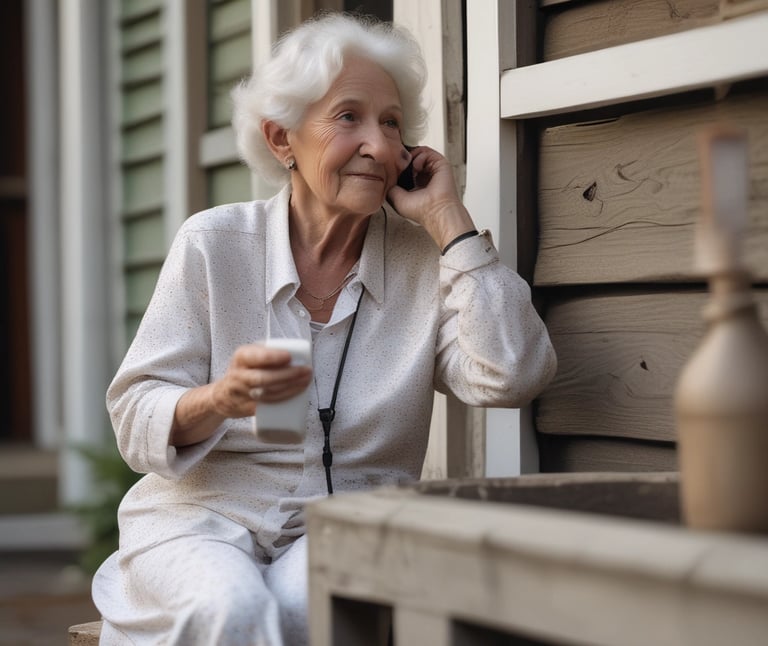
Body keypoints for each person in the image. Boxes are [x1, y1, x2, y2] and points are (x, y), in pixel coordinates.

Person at [91, 12, 557, 646]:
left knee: (311, 611)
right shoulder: (214, 244)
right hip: (201, 522)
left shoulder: (427, 260)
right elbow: (134, 417)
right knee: (230, 607)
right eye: (348, 117)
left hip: (343, 527)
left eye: (391, 122)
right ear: (282, 140)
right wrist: (221, 399)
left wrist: (450, 221)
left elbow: (514, 375)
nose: (378, 143)